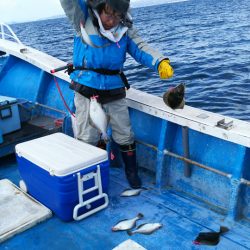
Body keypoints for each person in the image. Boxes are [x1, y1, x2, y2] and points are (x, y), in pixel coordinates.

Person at [59, 0, 174, 189]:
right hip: (87, 89)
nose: (112, 21)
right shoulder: (83, 19)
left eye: (117, 16)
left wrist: (159, 62)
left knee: (125, 134)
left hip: (114, 89)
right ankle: (89, 177)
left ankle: (131, 172)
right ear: (99, 8)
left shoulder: (125, 30)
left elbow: (141, 48)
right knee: (87, 136)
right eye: (108, 14)